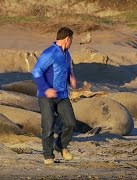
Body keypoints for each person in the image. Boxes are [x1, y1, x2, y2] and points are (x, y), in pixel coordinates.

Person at [32, 27, 77, 165]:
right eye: (71, 40)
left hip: (62, 95)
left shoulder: (67, 54)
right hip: (46, 96)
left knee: (71, 123)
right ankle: (48, 156)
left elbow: (67, 70)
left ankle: (60, 145)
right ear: (67, 39)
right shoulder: (49, 53)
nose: (71, 43)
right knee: (48, 125)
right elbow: (36, 71)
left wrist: (71, 78)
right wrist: (46, 89)